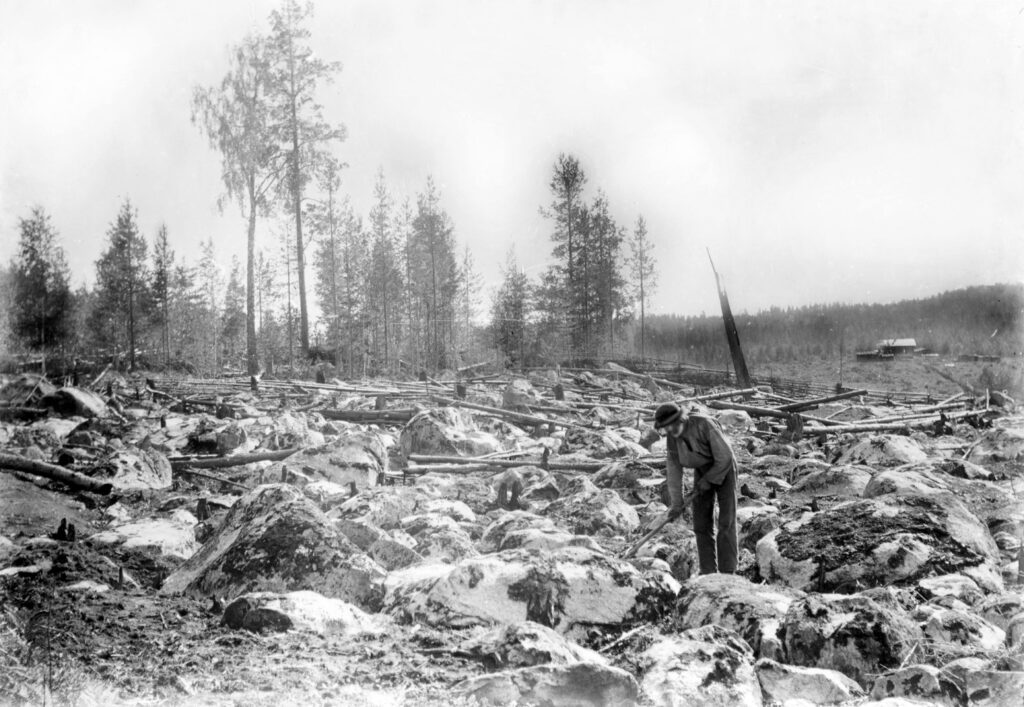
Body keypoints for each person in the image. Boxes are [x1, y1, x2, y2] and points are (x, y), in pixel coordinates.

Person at [654, 402, 738, 574]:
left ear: (680, 419)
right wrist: (677, 504)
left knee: (726, 521)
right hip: (702, 469)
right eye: (665, 428)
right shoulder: (672, 438)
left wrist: (709, 480)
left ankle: (728, 571)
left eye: (670, 426)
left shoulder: (704, 424)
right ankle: (708, 571)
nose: (669, 431)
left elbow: (725, 456)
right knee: (701, 523)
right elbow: (674, 469)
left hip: (725, 467)